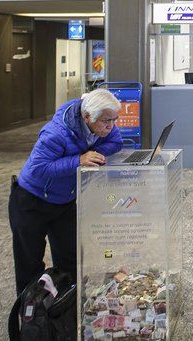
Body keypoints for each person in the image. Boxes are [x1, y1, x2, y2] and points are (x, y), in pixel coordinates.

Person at [8, 88, 122, 295]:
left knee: (70, 259)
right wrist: (78, 160)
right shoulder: (56, 133)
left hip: (65, 201)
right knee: (29, 264)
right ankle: (33, 317)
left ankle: (69, 309)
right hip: (31, 201)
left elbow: (116, 142)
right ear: (87, 117)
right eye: (106, 121)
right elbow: (39, 168)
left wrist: (93, 154)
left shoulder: (103, 120)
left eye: (114, 120)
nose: (111, 126)